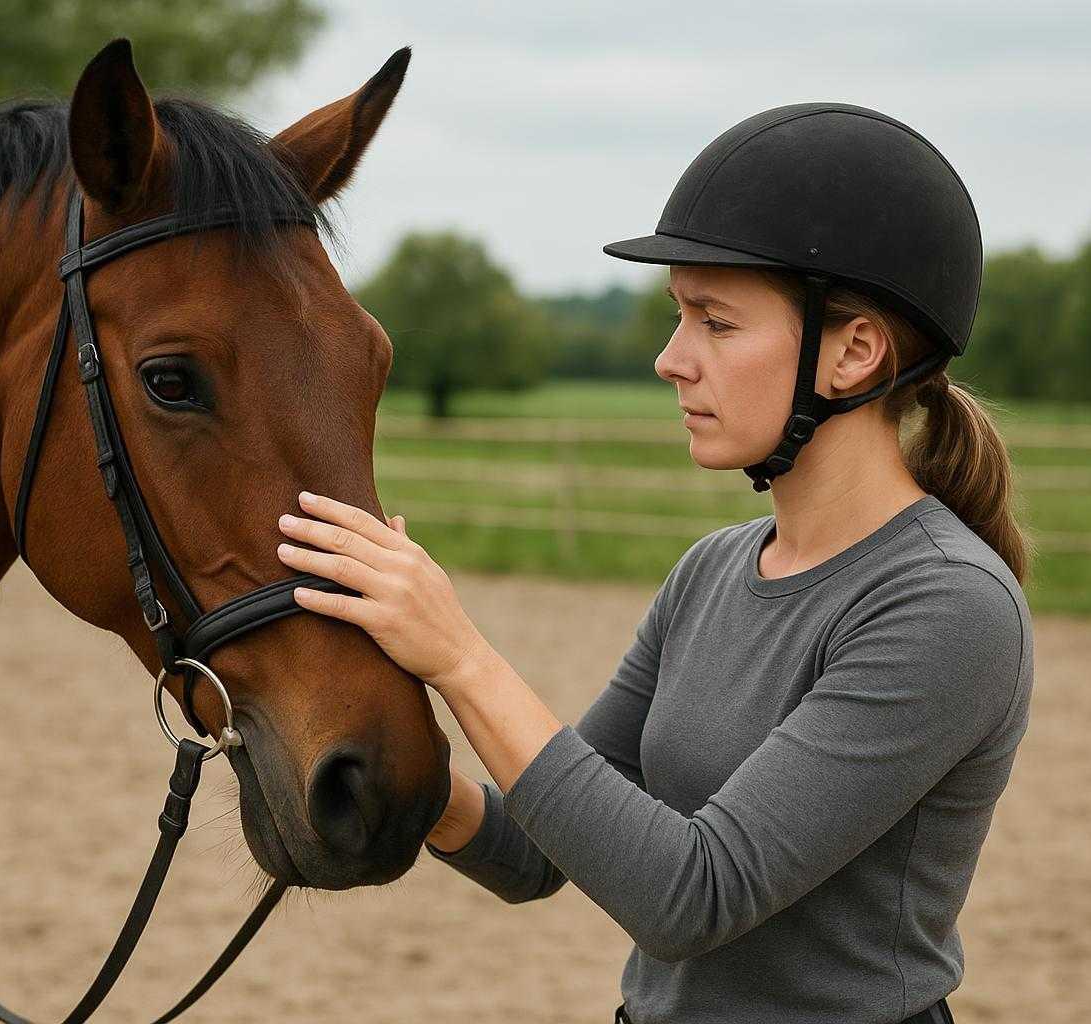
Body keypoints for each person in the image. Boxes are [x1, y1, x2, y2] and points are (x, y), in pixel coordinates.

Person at [275, 102, 1033, 1024]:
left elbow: (692, 895)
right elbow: (533, 850)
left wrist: (462, 656)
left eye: (715, 321)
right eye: (679, 316)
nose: (671, 359)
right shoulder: (712, 571)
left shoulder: (948, 607)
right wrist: (399, 766)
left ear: (855, 352)